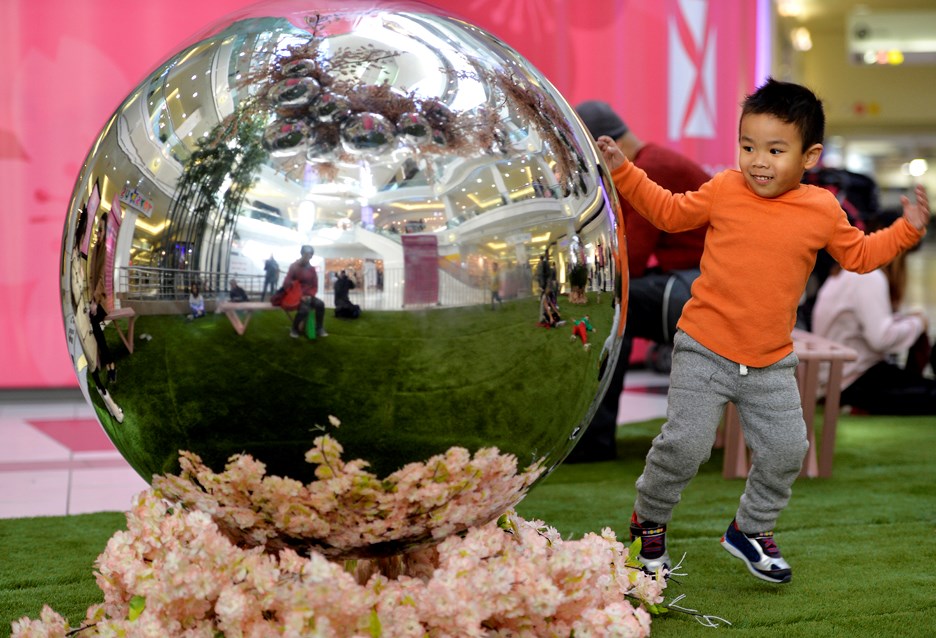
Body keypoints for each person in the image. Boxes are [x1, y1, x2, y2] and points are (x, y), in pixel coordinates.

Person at [595, 77, 930, 583]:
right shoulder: (726, 188)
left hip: (771, 359)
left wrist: (907, 230)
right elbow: (668, 210)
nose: (758, 160)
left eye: (775, 149)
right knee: (684, 445)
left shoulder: (820, 209)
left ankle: (750, 529)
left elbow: (859, 256)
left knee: (788, 449)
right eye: (748, 146)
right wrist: (624, 171)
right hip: (704, 347)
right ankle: (649, 521)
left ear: (809, 156)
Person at [566, 100, 710, 463]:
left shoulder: (651, 168)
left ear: (601, 145)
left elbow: (633, 258)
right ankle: (592, 437)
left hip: (702, 285)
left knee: (613, 310)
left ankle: (594, 442)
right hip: (693, 279)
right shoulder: (654, 160)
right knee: (613, 305)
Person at [812, 215, 936, 414]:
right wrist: (918, 323)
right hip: (853, 382)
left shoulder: (847, 270)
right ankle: (856, 406)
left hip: (837, 379)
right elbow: (881, 338)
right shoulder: (868, 276)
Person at [283, 245, 327, 338]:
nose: (308, 257)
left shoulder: (312, 269)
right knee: (304, 309)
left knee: (320, 304)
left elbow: (315, 285)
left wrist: (310, 295)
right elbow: (287, 283)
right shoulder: (294, 266)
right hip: (296, 296)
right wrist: (300, 296)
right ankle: (294, 328)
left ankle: (319, 328)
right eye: (306, 255)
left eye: (310, 255)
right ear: (302, 254)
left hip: (309, 296)